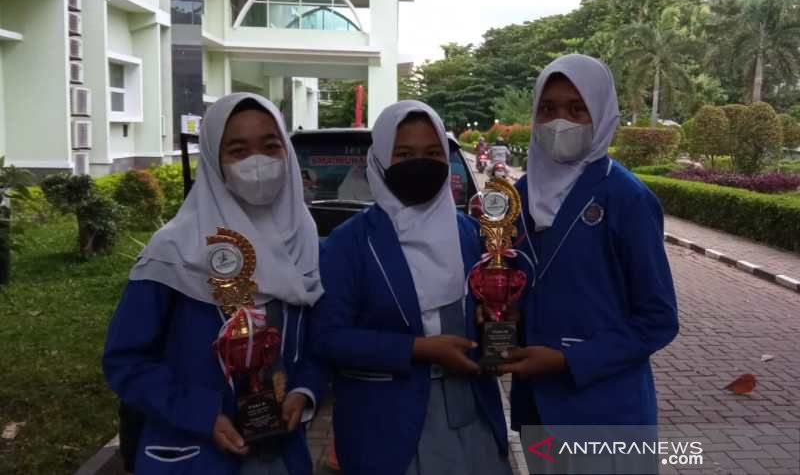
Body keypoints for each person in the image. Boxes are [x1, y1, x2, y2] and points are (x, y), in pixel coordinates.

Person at [103, 93, 325, 475]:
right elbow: (126, 360)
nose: (258, 162)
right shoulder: (174, 250)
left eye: (270, 146)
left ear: (287, 152)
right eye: (238, 150)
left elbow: (317, 342)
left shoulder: (305, 241)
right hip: (194, 456)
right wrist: (201, 414)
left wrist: (304, 391)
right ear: (212, 160)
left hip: (280, 455)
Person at [310, 101, 512, 475]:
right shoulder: (349, 243)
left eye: (433, 153)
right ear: (380, 161)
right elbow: (328, 337)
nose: (420, 164)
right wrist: (418, 349)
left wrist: (496, 324)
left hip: (473, 418)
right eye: (404, 154)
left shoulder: (471, 235)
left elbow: (489, 310)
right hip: (387, 429)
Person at [495, 54, 678, 433]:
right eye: (548, 109)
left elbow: (658, 320)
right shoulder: (519, 195)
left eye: (577, 109)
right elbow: (518, 283)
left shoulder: (627, 198)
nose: (559, 121)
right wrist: (504, 314)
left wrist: (568, 360)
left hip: (606, 412)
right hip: (537, 412)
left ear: (601, 114)